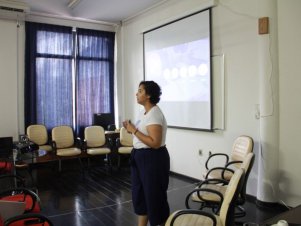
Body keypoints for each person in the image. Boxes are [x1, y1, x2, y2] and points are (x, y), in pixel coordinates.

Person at [123, 81, 170, 226]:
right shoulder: (143, 112)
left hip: (152, 159)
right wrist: (130, 129)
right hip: (139, 156)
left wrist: (134, 130)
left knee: (154, 197)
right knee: (140, 196)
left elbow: (155, 142)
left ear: (148, 95)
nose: (136, 94)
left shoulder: (154, 113)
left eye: (140, 91)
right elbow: (140, 135)